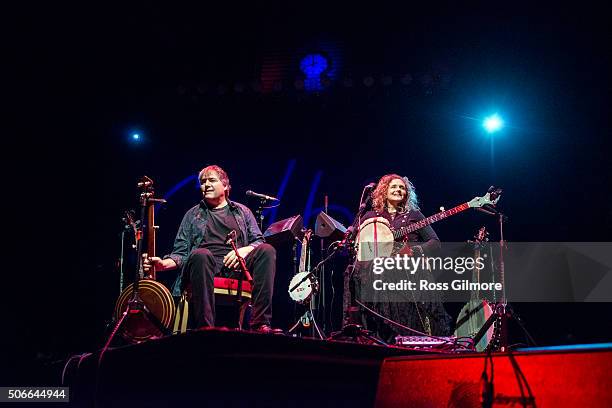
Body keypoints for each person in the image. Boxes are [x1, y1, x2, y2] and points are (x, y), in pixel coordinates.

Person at [143, 165, 279, 333]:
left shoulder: (243, 212)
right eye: (202, 182)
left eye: (212, 180)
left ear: (226, 186)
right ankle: (206, 327)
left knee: (267, 250)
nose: (206, 185)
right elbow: (181, 253)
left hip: (235, 268)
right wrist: (163, 265)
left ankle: (260, 324)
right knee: (202, 254)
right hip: (203, 267)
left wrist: (246, 250)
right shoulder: (192, 215)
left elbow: (259, 241)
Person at [348, 174, 451, 342]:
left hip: (410, 274)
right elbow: (360, 246)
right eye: (394, 187)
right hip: (379, 278)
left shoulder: (414, 215)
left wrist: (413, 250)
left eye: (402, 188)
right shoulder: (370, 217)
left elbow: (435, 243)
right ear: (384, 191)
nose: (398, 190)